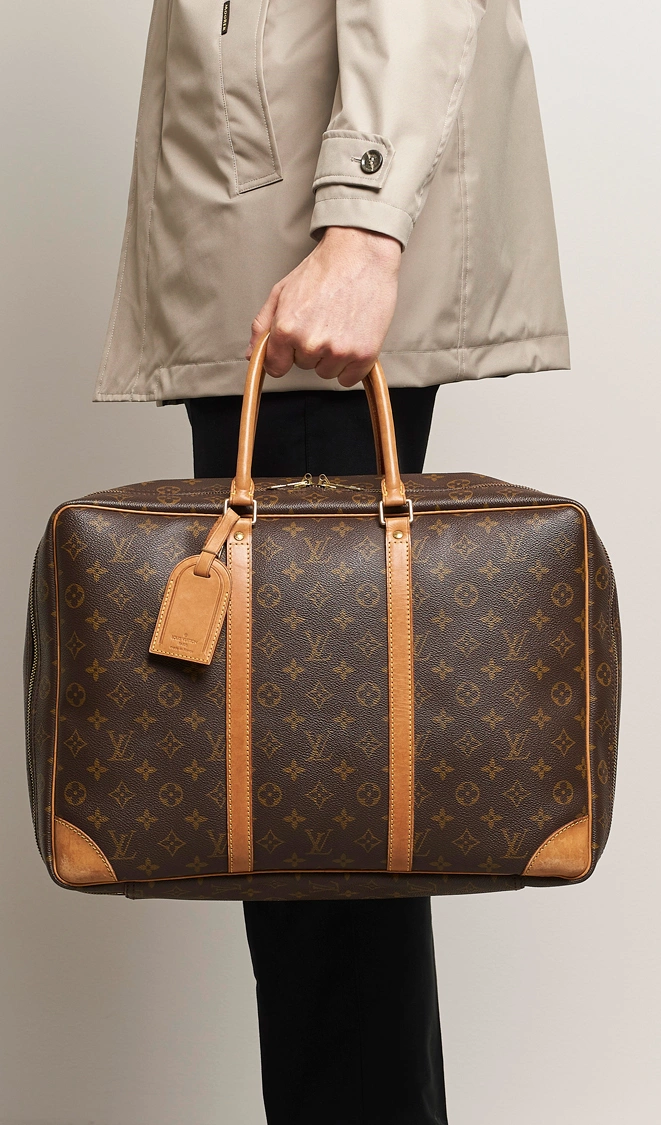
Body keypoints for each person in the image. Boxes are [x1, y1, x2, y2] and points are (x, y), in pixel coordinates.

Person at [94, 3, 568, 1122]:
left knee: (320, 829)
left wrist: (363, 225)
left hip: (304, 253)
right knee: (318, 829)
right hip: (268, 233)